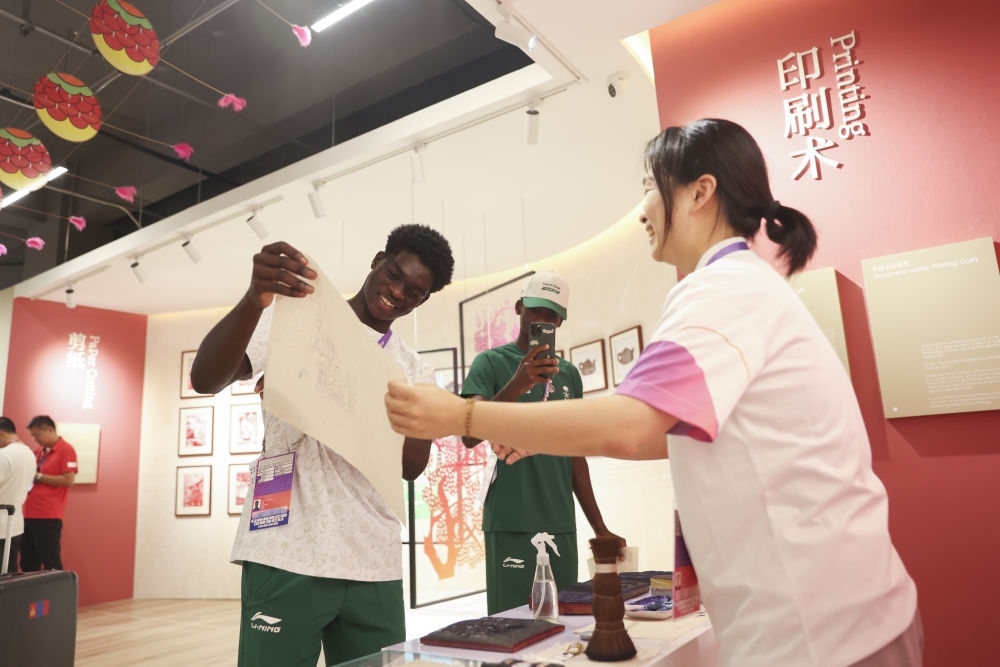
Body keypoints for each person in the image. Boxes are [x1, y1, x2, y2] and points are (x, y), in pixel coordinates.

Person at [385, 120, 921, 667]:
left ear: (701, 192)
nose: (643, 209)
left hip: (820, 629)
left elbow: (628, 426)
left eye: (650, 185)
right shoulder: (740, 285)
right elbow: (665, 435)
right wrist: (528, 436)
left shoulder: (719, 291)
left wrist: (462, 414)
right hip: (840, 616)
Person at [191, 224, 454, 667]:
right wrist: (255, 299)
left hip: (373, 558)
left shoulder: (412, 370)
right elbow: (205, 379)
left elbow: (411, 465)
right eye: (394, 275)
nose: (397, 292)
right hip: (284, 545)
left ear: (422, 300)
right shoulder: (295, 319)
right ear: (377, 261)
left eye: (414, 292)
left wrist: (355, 393)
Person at [461, 270, 622, 614]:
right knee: (511, 623)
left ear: (560, 321)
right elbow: (469, 434)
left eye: (552, 315)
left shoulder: (569, 375)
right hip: (511, 519)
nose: (542, 321)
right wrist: (518, 383)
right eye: (536, 310)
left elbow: (576, 456)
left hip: (560, 521)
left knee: (562, 621)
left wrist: (600, 528)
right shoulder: (490, 362)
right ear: (519, 307)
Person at [21, 415, 78, 571]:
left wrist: (39, 477)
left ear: (50, 429)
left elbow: (68, 480)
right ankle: (30, 588)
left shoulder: (66, 450)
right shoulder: (39, 451)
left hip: (48, 514)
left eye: (37, 435)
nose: (35, 439)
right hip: (28, 512)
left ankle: (55, 588)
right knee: (28, 561)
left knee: (50, 560)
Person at [0, 417, 35, 573]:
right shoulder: (28, 453)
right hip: (14, 524)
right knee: (9, 575)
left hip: (1, 525)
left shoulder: (3, 455)